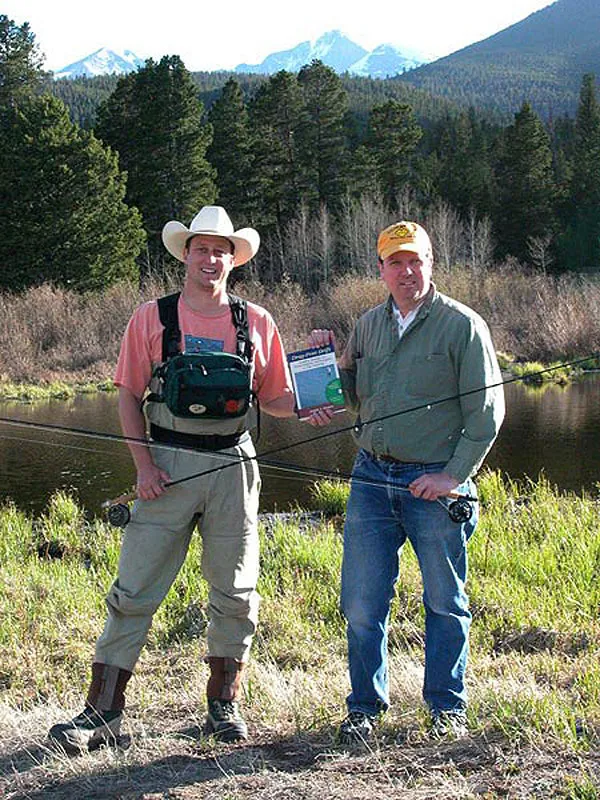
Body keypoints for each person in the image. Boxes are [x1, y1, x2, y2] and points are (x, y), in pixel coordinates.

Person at [50, 206, 297, 752]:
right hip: (165, 465)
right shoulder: (151, 318)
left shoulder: (256, 321)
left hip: (234, 467)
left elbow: (276, 398)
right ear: (186, 254)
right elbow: (127, 395)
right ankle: (103, 712)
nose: (211, 259)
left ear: (233, 260)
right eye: (201, 249)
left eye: (221, 251)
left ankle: (224, 706)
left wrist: (314, 400)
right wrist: (143, 467)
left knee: (236, 591)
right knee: (134, 589)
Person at [309, 220, 505, 743]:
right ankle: (364, 709)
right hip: (371, 477)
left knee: (444, 601)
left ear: (430, 263)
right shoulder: (368, 325)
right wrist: (324, 365)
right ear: (381, 269)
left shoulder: (463, 325)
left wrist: (452, 476)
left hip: (435, 485)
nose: (406, 271)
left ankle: (447, 708)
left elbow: (487, 413)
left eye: (415, 260)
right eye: (395, 262)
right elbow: (351, 396)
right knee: (361, 603)